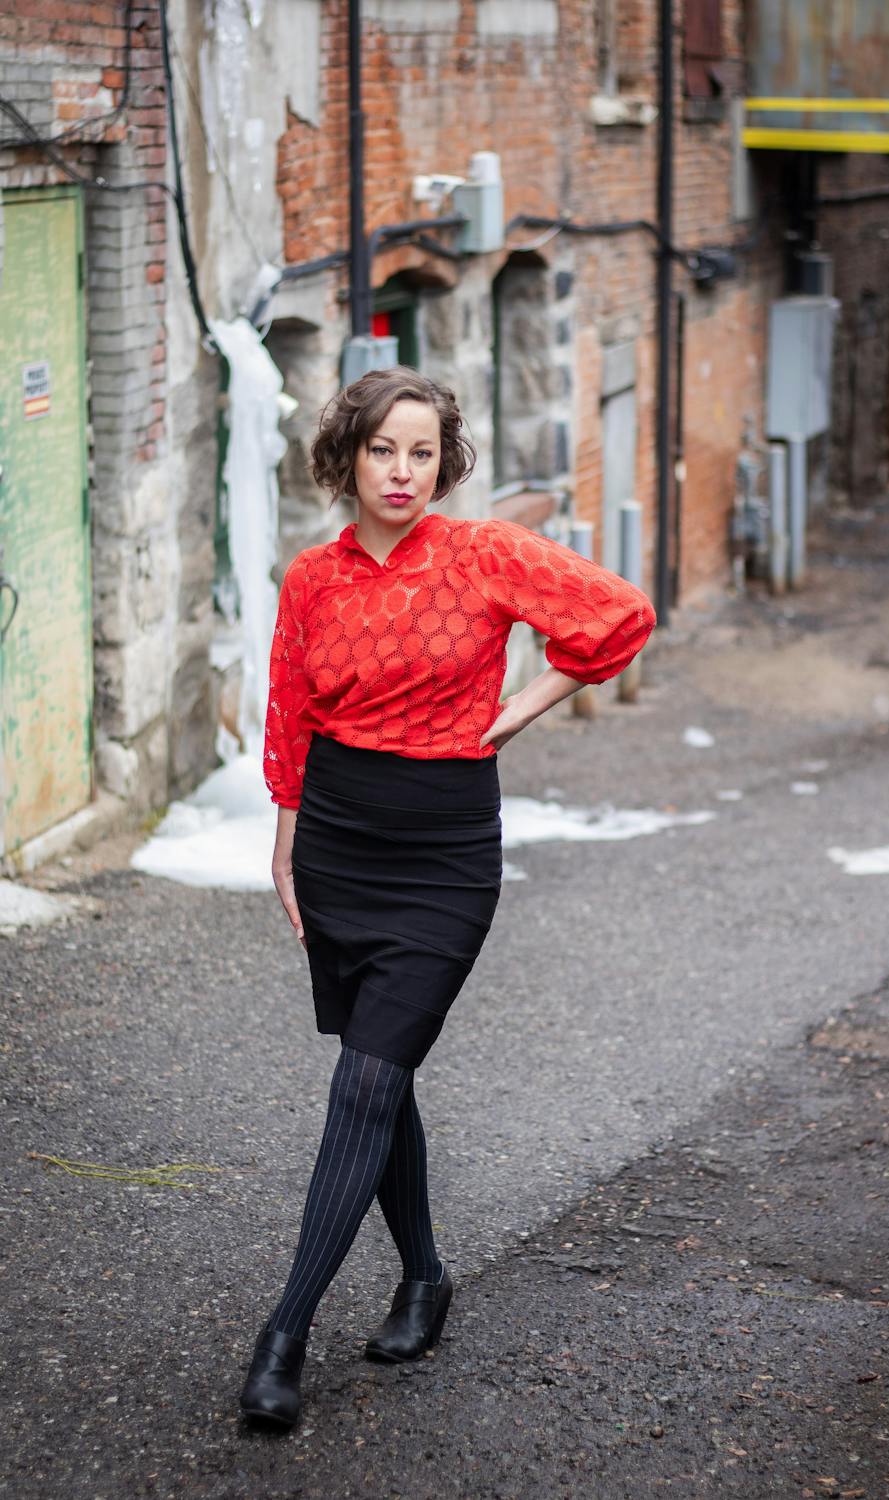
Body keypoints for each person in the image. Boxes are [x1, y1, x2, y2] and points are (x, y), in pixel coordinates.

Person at [239, 366, 656, 1429]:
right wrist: (287, 838)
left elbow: (616, 617)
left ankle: (282, 1336)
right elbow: (289, 708)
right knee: (380, 1075)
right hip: (337, 840)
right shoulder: (311, 578)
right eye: (383, 449)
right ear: (348, 455)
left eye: (422, 452)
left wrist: (523, 706)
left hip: (442, 860)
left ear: (445, 462)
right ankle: (424, 1276)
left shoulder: (482, 555)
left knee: (369, 1079)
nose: (402, 471)